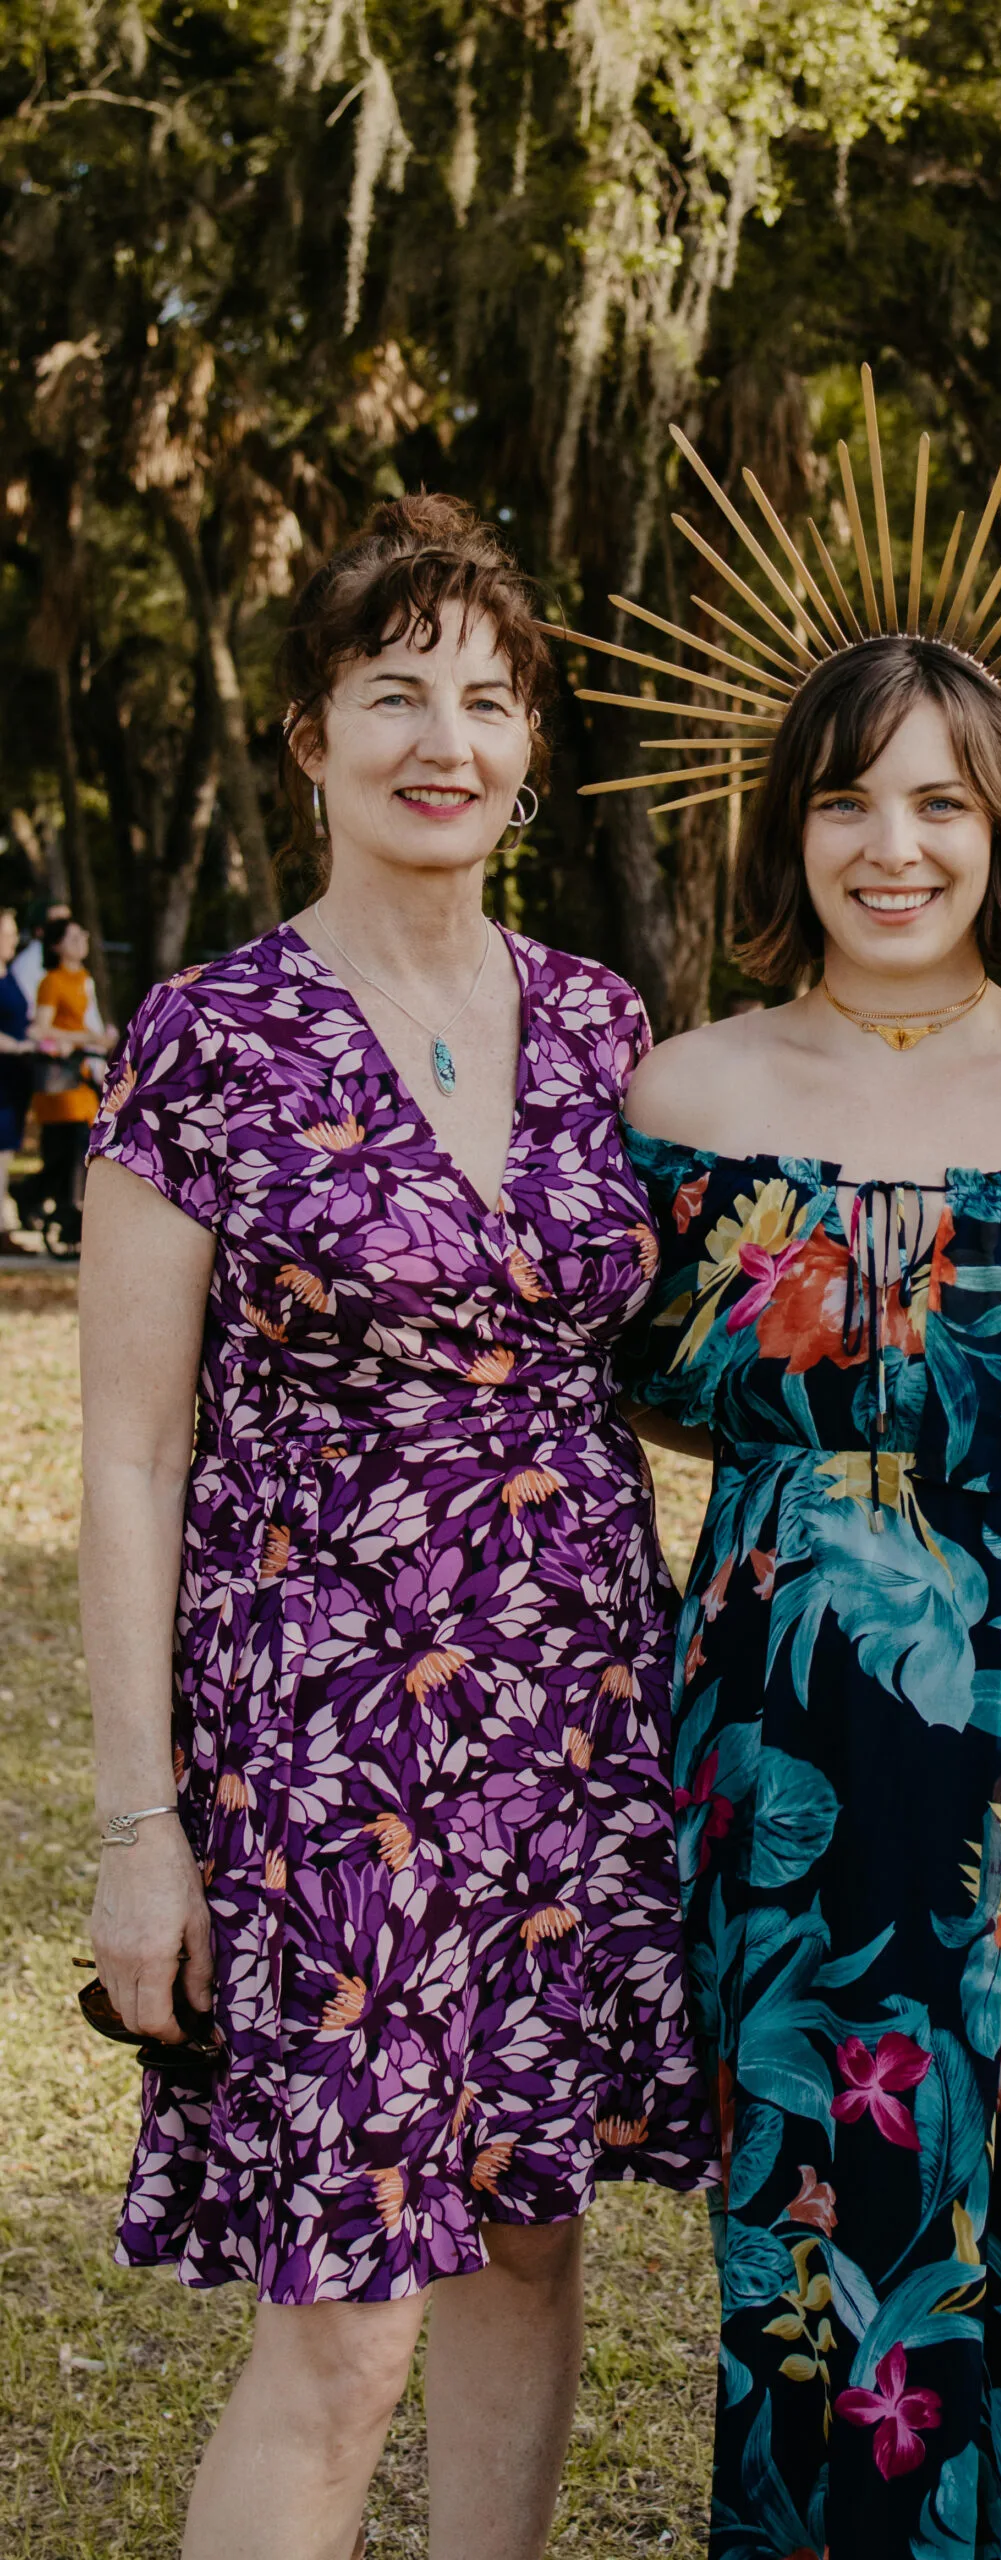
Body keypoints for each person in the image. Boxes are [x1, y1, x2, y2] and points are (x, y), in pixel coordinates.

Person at [80, 494, 712, 2560]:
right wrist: (138, 1823)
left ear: (528, 739)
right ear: (308, 735)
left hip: (569, 1717)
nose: (445, 736)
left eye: (487, 695)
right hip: (323, 1744)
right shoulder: (207, 1041)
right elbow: (128, 1450)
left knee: (527, 2244)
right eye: (394, 693)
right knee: (342, 2324)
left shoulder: (611, 1027)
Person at [621, 635, 1001, 2557]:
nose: (890, 849)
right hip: (780, 1748)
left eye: (937, 804)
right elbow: (607, 1394)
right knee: (816, 2233)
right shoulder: (684, 1091)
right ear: (788, 829)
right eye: (845, 801)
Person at [28, 913, 115, 1246]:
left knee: (80, 1148)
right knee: (64, 1151)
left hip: (82, 1079)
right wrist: (86, 1038)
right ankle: (52, 1205)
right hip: (61, 1081)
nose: (83, 942)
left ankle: (65, 1210)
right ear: (57, 946)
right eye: (74, 936)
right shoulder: (52, 982)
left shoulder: (84, 979)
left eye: (84, 935)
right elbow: (41, 1028)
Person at [0, 906, 37, 1248]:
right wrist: (13, 1044)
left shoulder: (8, 974)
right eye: (6, 933)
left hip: (14, 1078)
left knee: (7, 1149)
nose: (12, 940)